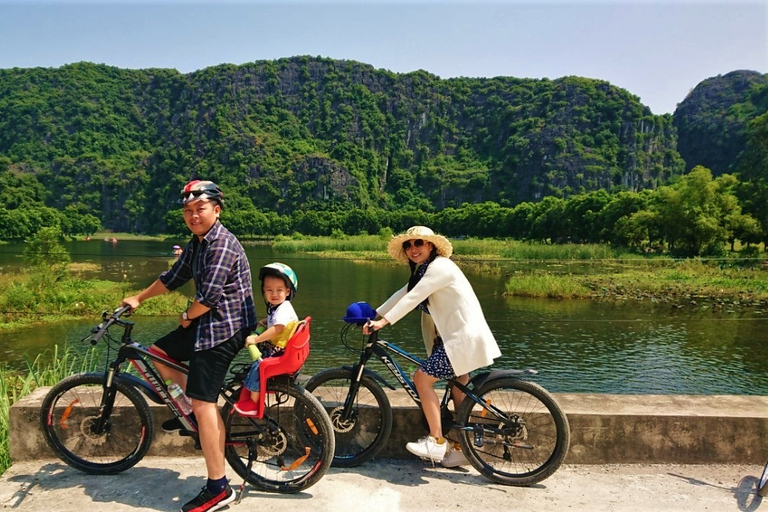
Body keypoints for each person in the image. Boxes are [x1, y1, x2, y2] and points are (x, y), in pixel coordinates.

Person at [121, 180, 256, 512]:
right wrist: (137, 298)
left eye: (201, 209)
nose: (194, 216)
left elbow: (208, 298)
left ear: (216, 210)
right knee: (157, 354)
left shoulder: (221, 244)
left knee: (204, 402)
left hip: (225, 327)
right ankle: (195, 414)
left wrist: (186, 314)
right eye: (188, 211)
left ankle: (218, 488)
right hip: (208, 320)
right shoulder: (198, 243)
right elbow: (173, 276)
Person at [364, 225, 501, 468]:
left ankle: (437, 441)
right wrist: (374, 314)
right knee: (459, 389)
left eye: (418, 243)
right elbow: (403, 292)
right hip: (453, 339)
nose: (413, 249)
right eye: (408, 245)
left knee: (422, 379)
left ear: (431, 245)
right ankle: (461, 448)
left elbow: (414, 298)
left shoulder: (440, 267)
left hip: (460, 338)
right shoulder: (424, 272)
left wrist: (384, 322)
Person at [234, 262, 300, 416]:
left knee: (258, 367)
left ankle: (254, 402)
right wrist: (264, 322)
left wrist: (255, 340)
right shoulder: (277, 307)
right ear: (263, 291)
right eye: (269, 290)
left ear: (288, 291)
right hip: (280, 347)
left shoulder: (284, 308)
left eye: (279, 290)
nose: (274, 294)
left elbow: (278, 328)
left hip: (279, 351)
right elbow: (274, 322)